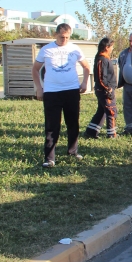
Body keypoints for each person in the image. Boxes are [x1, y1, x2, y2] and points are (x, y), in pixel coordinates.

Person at [31, 23, 90, 168]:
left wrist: (84, 83)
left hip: (71, 90)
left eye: (67, 37)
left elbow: (86, 67)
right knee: (52, 125)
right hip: (52, 92)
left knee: (73, 123)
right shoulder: (46, 50)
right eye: (62, 37)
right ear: (56, 34)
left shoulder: (74, 49)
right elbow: (35, 69)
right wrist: (39, 88)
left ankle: (73, 151)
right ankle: (49, 158)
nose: (64, 40)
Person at [84, 37, 118, 139]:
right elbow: (101, 77)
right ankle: (112, 134)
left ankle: (91, 131)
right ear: (107, 47)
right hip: (104, 90)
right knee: (111, 111)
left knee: (102, 111)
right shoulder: (102, 59)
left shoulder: (105, 58)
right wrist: (108, 88)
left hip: (104, 89)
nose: (112, 48)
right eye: (111, 46)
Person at [117, 32, 132, 135]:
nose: (131, 43)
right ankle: (129, 128)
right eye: (130, 41)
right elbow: (120, 65)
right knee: (127, 107)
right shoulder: (123, 53)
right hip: (127, 85)